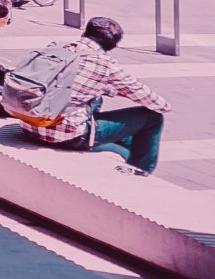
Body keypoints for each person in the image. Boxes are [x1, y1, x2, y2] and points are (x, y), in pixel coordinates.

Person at [16, 17, 170, 175]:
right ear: (112, 46)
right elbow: (155, 102)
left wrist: (106, 89)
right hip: (65, 137)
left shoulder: (57, 47)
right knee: (152, 118)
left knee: (96, 98)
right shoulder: (105, 64)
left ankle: (124, 141)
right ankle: (140, 172)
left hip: (29, 124)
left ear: (85, 32)